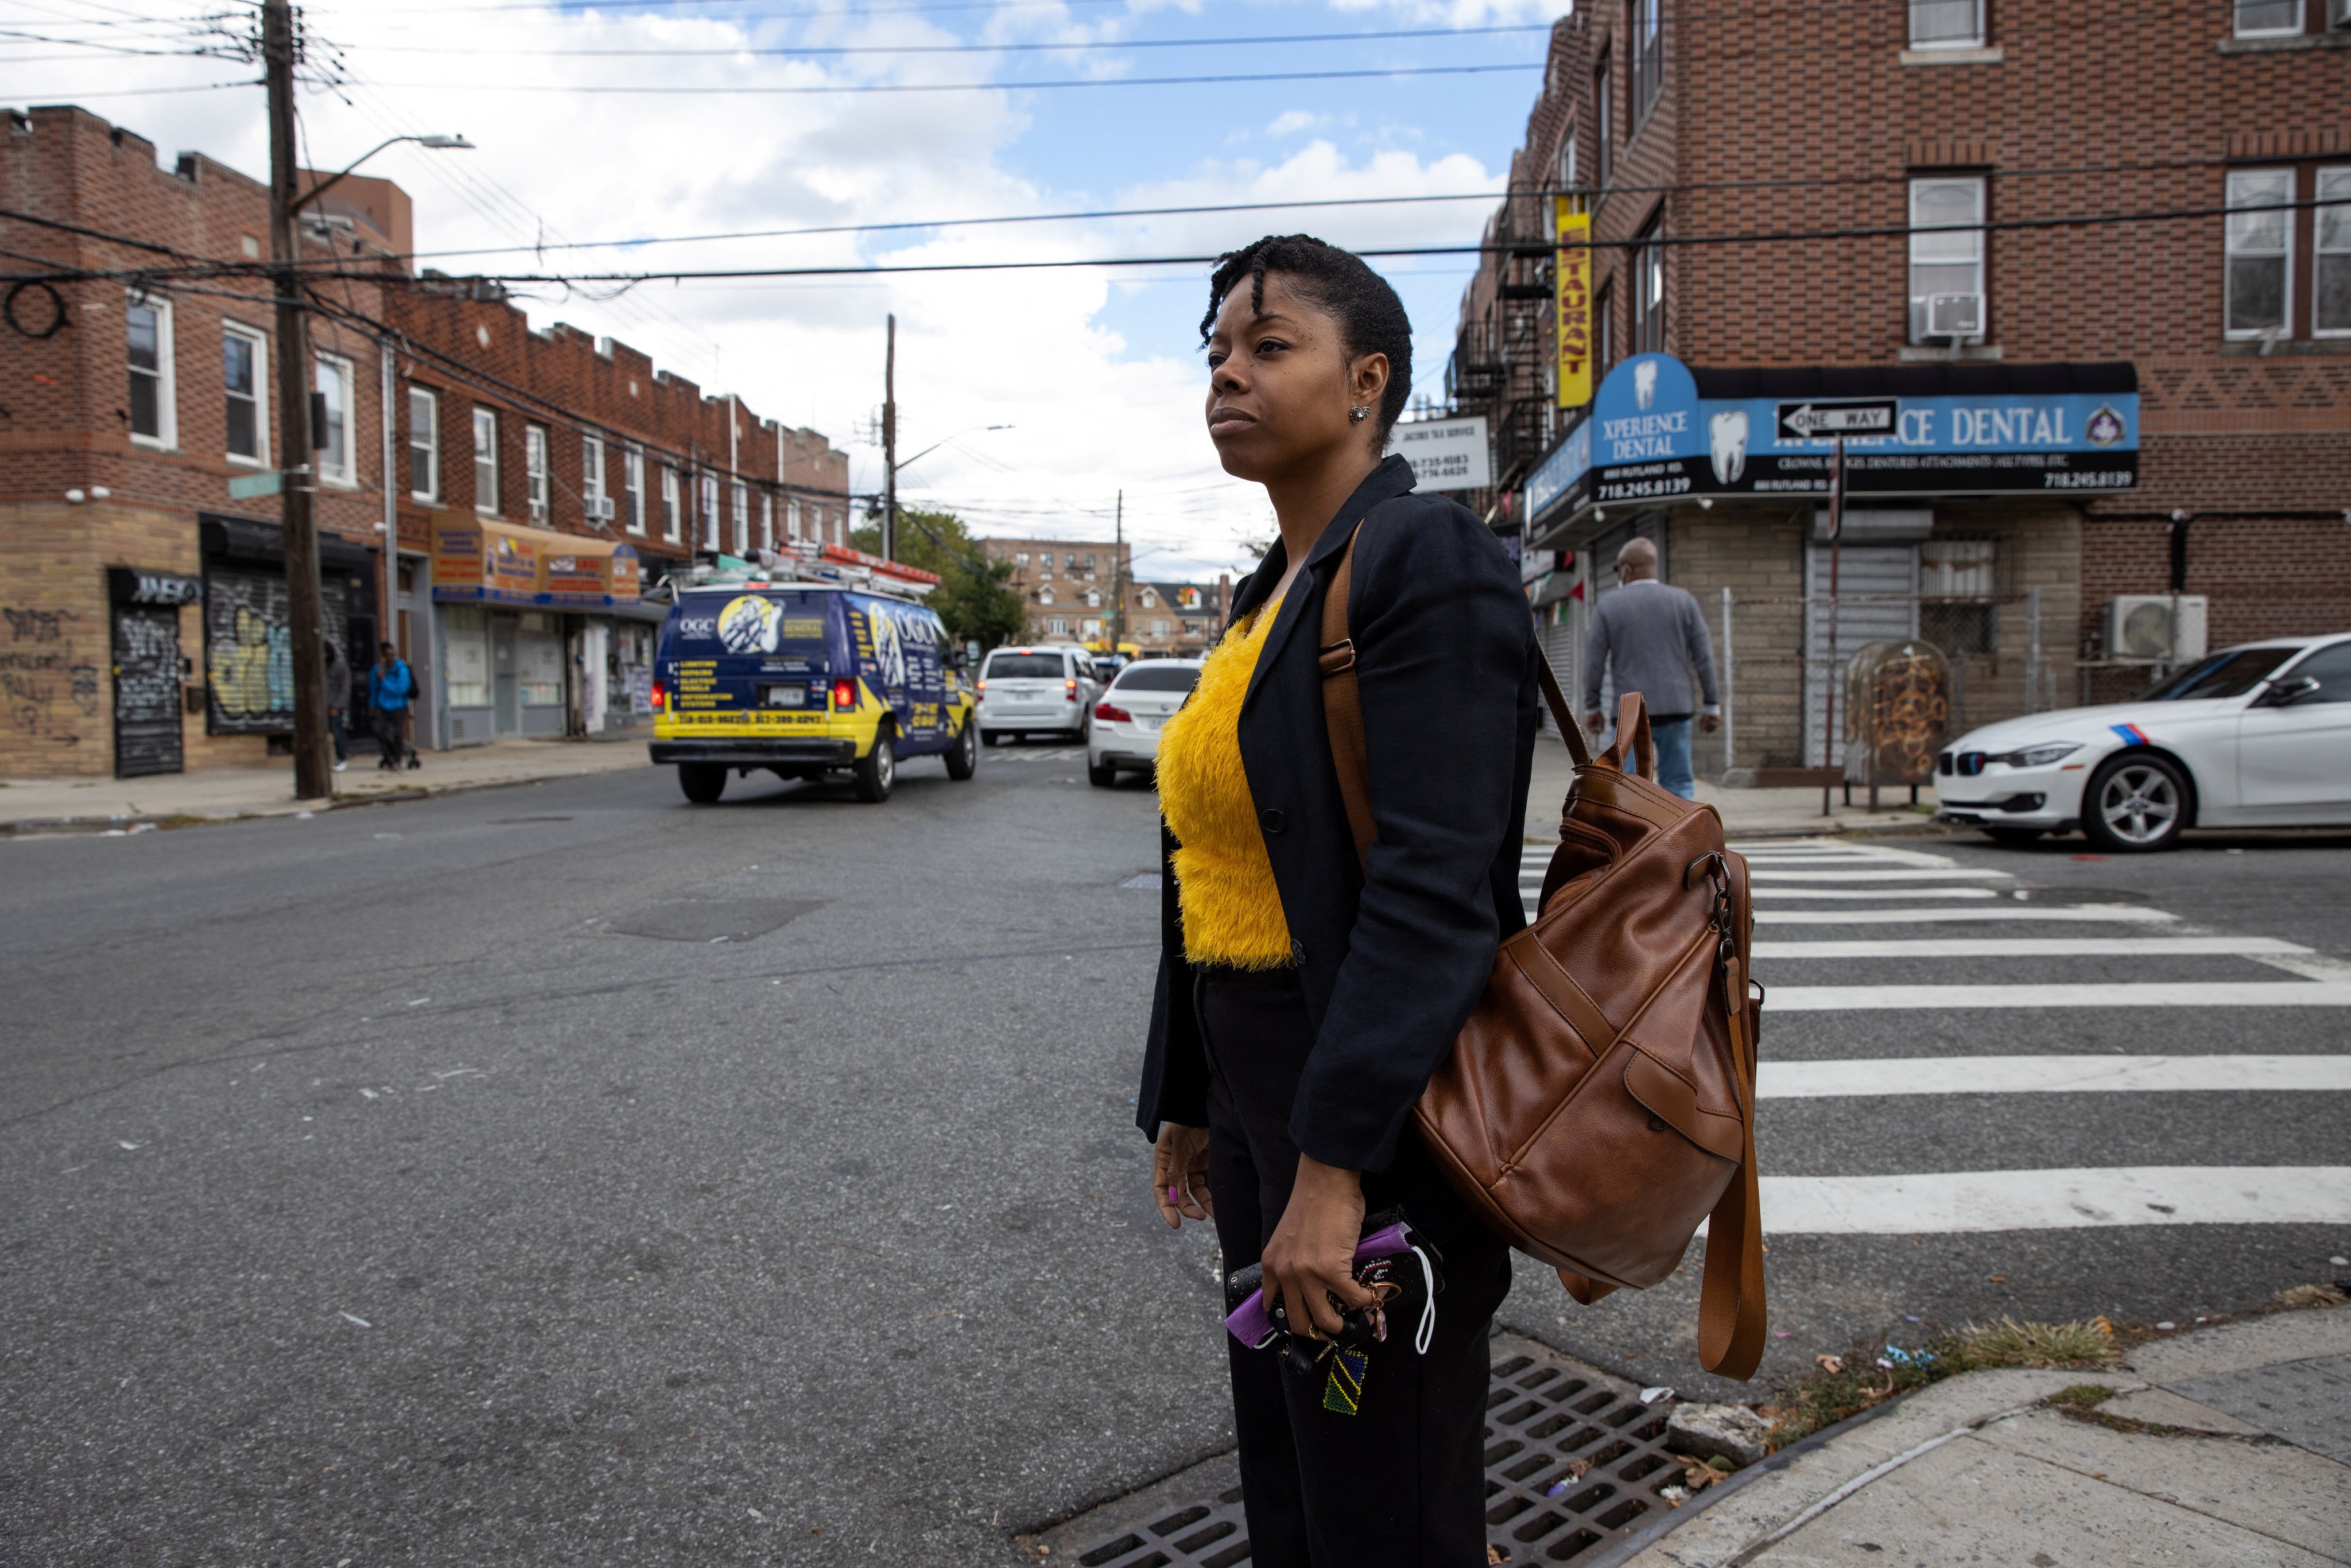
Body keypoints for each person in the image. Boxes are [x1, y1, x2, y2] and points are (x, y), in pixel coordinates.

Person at [1140, 235, 1538, 1567]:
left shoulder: (1430, 555)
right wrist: (1194, 1089)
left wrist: (1333, 1164)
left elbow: (1437, 886)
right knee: (1292, 1463)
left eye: (1268, 347)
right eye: (1214, 356)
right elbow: (1207, 867)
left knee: (1385, 1494)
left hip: (1375, 1093)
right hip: (1265, 1079)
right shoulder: (1266, 596)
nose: (1225, 379)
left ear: (1366, 379)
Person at [1580, 537, 1720, 799]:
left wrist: (1593, 707)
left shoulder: (1609, 606)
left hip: (1629, 714)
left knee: (1628, 788)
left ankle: (1633, 840)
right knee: (1678, 786)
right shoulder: (1684, 601)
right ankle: (1681, 839)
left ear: (1626, 569)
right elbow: (1704, 655)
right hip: (1676, 708)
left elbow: (1594, 661)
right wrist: (1712, 705)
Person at [368, 641, 418, 771]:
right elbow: (373, 690)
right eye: (386, 655)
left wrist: (384, 680)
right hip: (381, 706)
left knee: (397, 733)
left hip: (399, 706)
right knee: (381, 733)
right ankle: (389, 757)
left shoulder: (402, 669)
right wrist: (372, 706)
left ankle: (396, 760)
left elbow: (400, 690)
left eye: (391, 654)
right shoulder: (377, 670)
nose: (389, 658)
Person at [322, 639, 350, 774]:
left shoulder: (339, 668)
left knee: (338, 732)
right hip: (321, 707)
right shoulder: (320, 667)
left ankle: (341, 758)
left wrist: (338, 706)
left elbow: (345, 689)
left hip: (334, 708)